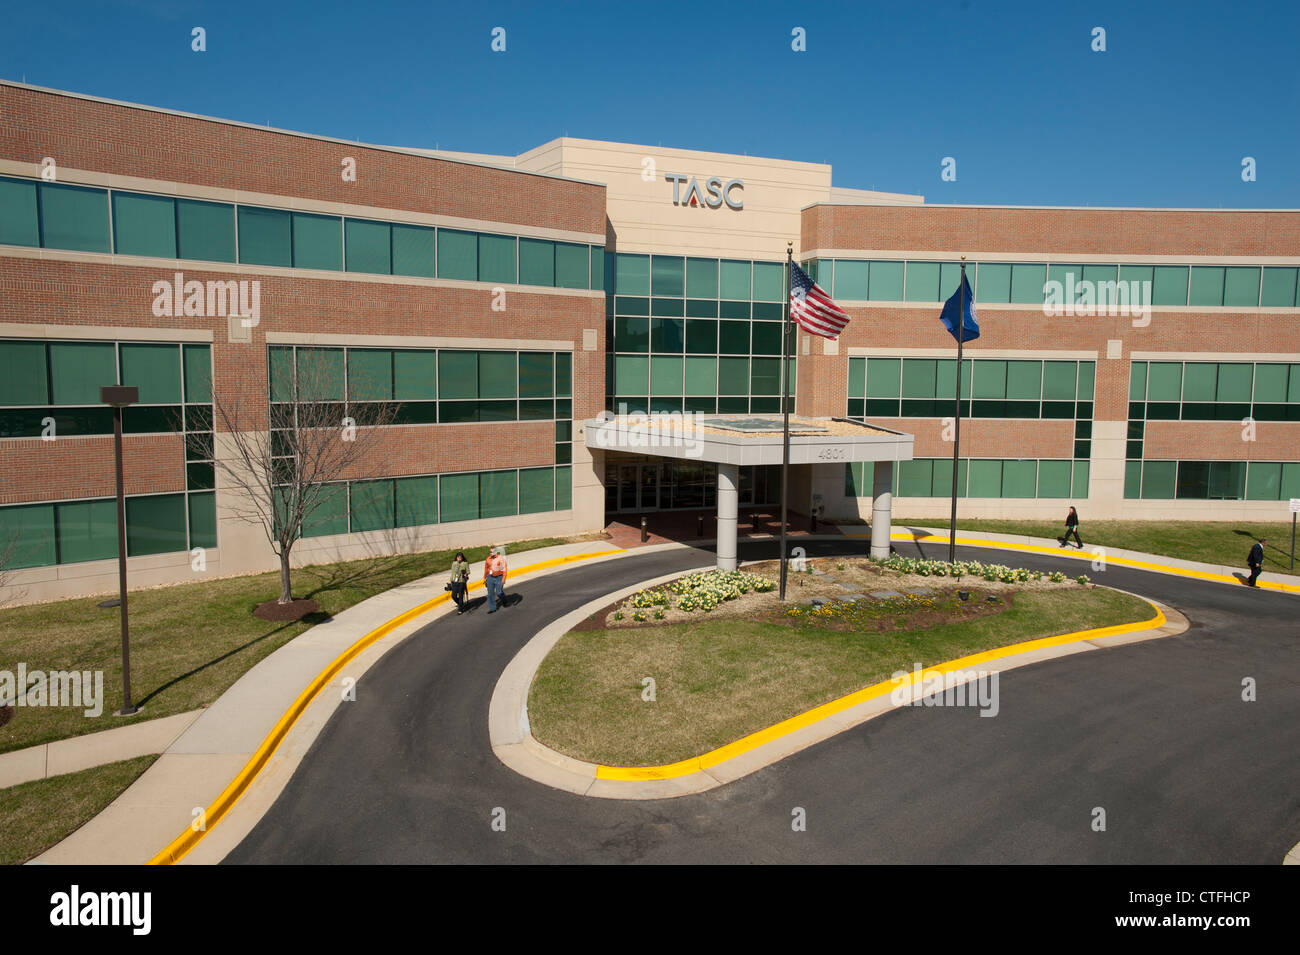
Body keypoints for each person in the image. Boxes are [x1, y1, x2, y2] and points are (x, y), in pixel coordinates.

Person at [484, 546, 508, 613]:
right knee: (490, 594)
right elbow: (486, 569)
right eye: (490, 552)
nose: (490, 553)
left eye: (492, 552)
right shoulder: (488, 559)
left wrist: (503, 578)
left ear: (495, 552)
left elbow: (504, 569)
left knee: (499, 592)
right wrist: (485, 578)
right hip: (490, 577)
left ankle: (504, 600)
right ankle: (492, 608)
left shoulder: (500, 558)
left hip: (499, 577)